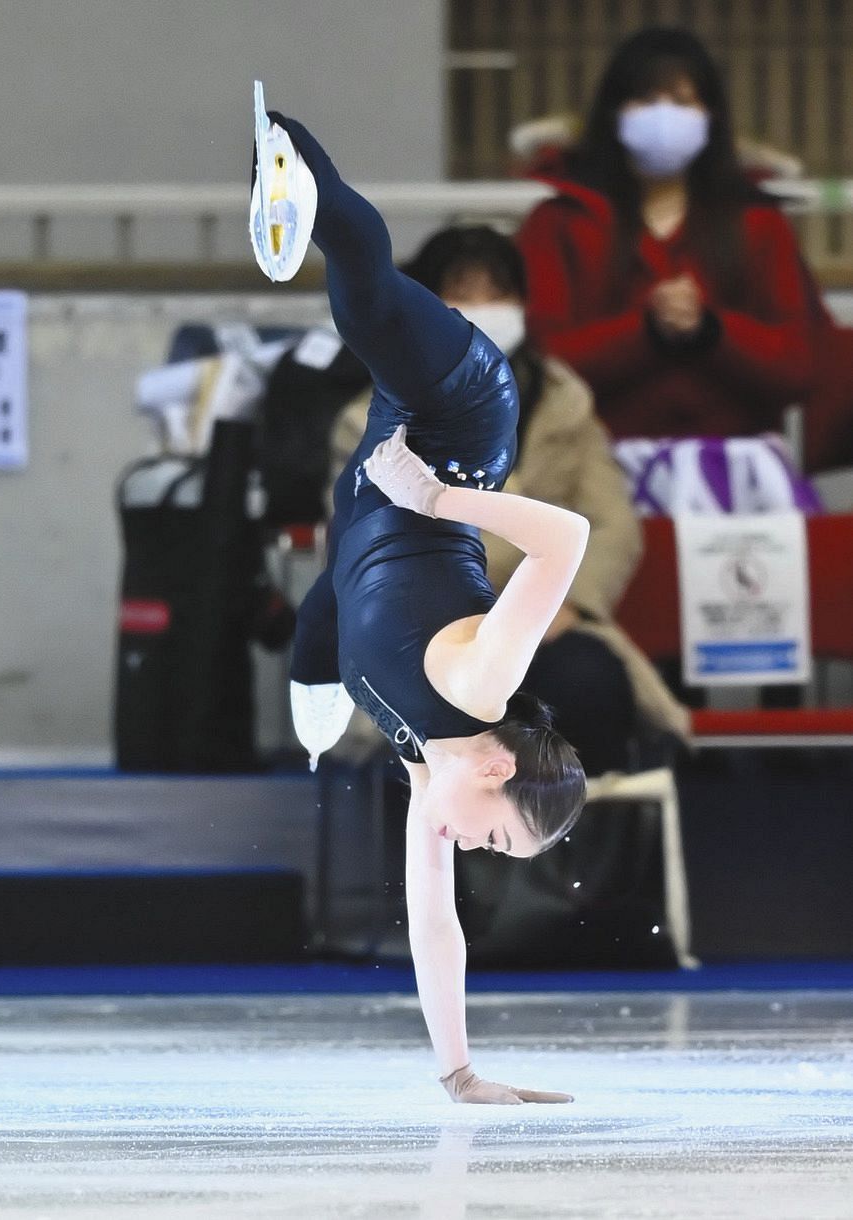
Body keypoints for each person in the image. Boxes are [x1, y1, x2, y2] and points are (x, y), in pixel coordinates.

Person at [250, 93, 588, 1103]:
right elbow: (565, 540)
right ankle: (299, 165)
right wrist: (441, 496)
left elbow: (431, 920)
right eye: (492, 831)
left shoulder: (422, 760)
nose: (472, 848)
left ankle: (290, 153)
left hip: (370, 493)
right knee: (364, 305)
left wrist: (459, 1072)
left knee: (331, 624)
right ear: (495, 764)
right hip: (459, 417)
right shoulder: (482, 681)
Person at [328, 225, 691, 772]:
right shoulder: (371, 421)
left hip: (552, 618)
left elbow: (614, 524)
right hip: (430, 634)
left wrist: (559, 602)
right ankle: (471, 850)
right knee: (450, 713)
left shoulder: (567, 404)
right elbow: (366, 554)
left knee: (588, 683)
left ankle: (578, 851)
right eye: (461, 293)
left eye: (497, 294)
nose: (481, 309)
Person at [516, 26, 816, 445]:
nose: (663, 115)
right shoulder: (560, 223)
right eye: (645, 100)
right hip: (594, 464)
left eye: (681, 101)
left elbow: (797, 366)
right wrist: (645, 331)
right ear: (614, 113)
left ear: (710, 115)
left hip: (737, 466)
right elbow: (541, 361)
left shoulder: (757, 222)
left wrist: (712, 330)